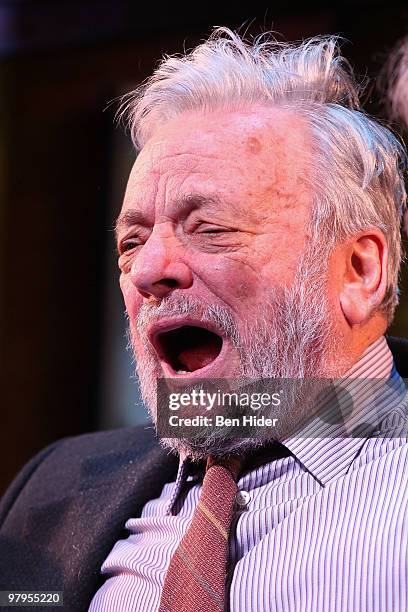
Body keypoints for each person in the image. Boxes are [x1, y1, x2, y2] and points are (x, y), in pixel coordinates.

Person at [1, 28, 408, 612]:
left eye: (210, 229)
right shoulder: (49, 492)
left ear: (359, 271)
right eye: (130, 242)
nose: (148, 271)